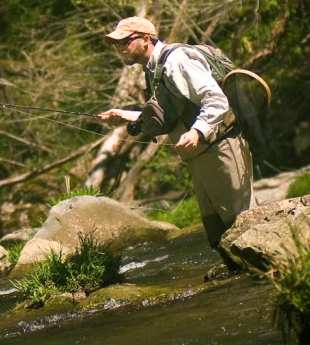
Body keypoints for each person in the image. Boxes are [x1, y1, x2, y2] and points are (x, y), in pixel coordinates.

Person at [99, 16, 254, 271]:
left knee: (245, 232)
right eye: (117, 44)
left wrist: (197, 132)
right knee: (220, 236)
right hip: (201, 157)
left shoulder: (176, 61)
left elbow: (216, 100)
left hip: (221, 149)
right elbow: (170, 114)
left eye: (125, 41)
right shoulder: (154, 69)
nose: (120, 48)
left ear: (146, 39)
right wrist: (127, 116)